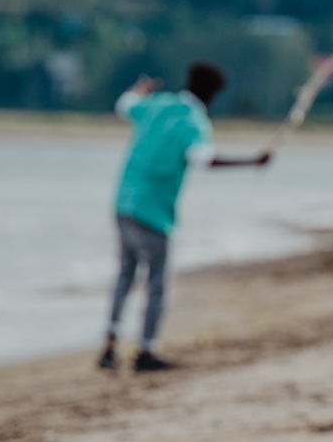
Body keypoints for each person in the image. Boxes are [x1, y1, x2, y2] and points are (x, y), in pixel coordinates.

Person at [100, 61, 270, 374]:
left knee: (125, 274)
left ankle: (110, 344)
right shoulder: (193, 121)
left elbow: (124, 105)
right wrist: (251, 162)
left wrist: (140, 89)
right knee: (156, 283)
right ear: (214, 94)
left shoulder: (158, 103)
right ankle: (146, 350)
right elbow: (201, 159)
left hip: (124, 202)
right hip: (153, 212)